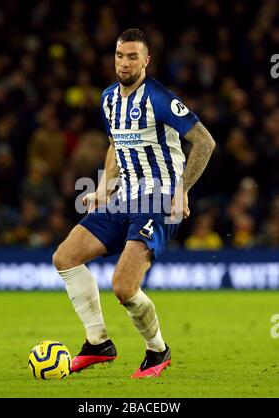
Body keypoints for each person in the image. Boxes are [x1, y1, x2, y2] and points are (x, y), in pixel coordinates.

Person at [53, 28, 215, 378]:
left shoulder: (159, 98)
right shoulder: (109, 98)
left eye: (131, 57)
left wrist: (182, 189)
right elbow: (116, 145)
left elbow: (204, 142)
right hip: (123, 198)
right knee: (64, 257)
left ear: (146, 60)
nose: (124, 63)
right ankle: (98, 343)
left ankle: (158, 352)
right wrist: (102, 188)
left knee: (124, 288)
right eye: (119, 56)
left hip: (157, 200)